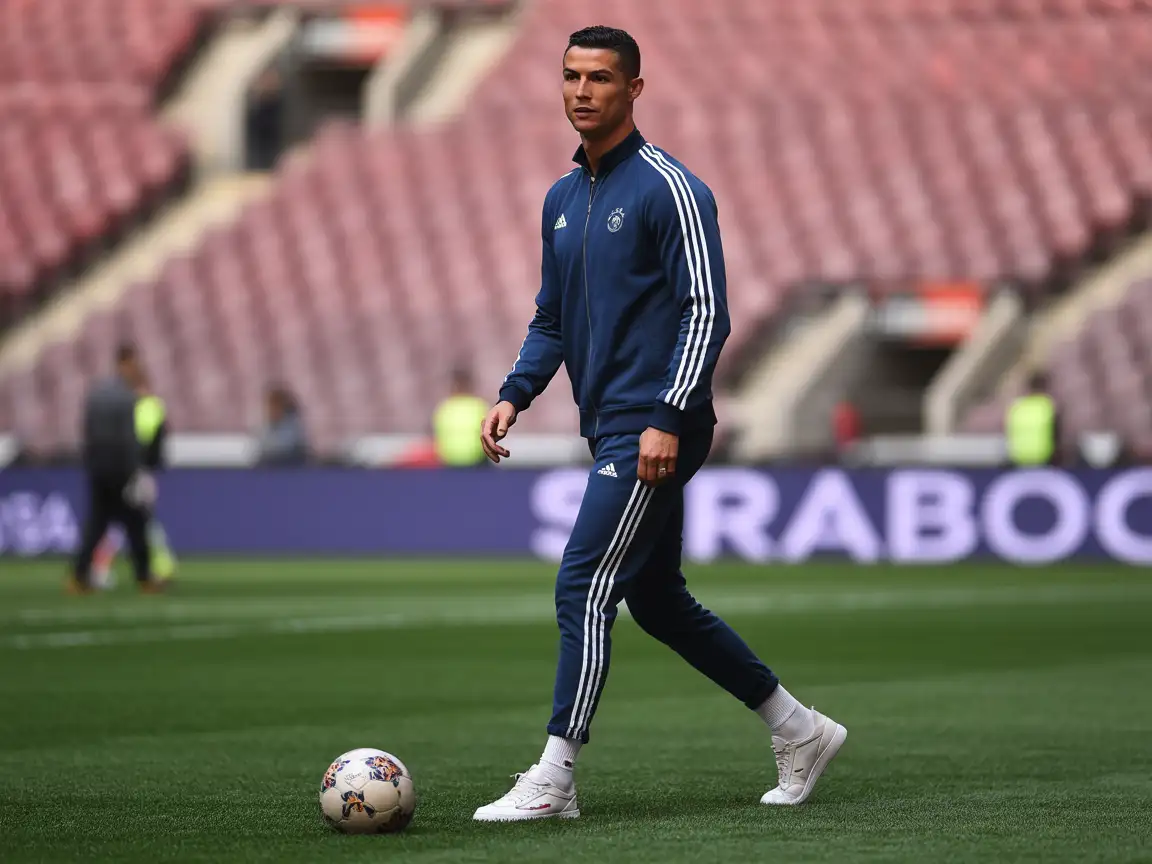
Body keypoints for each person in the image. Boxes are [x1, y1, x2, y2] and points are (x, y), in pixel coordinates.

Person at [473, 26, 847, 822]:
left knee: (584, 579)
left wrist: (668, 416)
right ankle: (799, 728)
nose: (581, 91)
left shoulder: (671, 188)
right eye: (570, 75)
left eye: (600, 78)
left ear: (634, 89)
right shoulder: (562, 200)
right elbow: (552, 318)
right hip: (610, 423)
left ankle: (554, 776)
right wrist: (516, 391)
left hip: (655, 425)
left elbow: (707, 310)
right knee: (658, 600)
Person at [69, 344, 161, 593]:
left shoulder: (96, 393)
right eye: (134, 363)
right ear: (125, 363)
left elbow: (87, 434)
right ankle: (144, 577)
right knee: (136, 523)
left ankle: (78, 576)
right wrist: (134, 471)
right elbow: (127, 439)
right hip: (121, 470)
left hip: (98, 469)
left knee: (97, 524)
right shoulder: (126, 397)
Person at [90, 372, 177, 588]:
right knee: (134, 520)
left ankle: (161, 565)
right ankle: (102, 567)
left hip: (131, 470)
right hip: (136, 471)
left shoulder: (133, 407)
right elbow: (150, 442)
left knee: (139, 520)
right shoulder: (147, 407)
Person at [432, 368, 490, 467]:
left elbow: (437, 438)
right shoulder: (479, 406)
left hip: (449, 463)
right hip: (476, 463)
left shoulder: (444, 408)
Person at [1006, 371, 1059, 467]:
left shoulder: (1017, 406)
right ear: (1045, 387)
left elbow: (1009, 432)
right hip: (1043, 459)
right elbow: (1056, 434)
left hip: (1018, 459)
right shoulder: (1048, 405)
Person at [256, 385, 309, 466]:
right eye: (271, 407)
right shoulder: (265, 427)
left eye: (276, 406)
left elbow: (286, 447)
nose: (273, 410)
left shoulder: (293, 426)